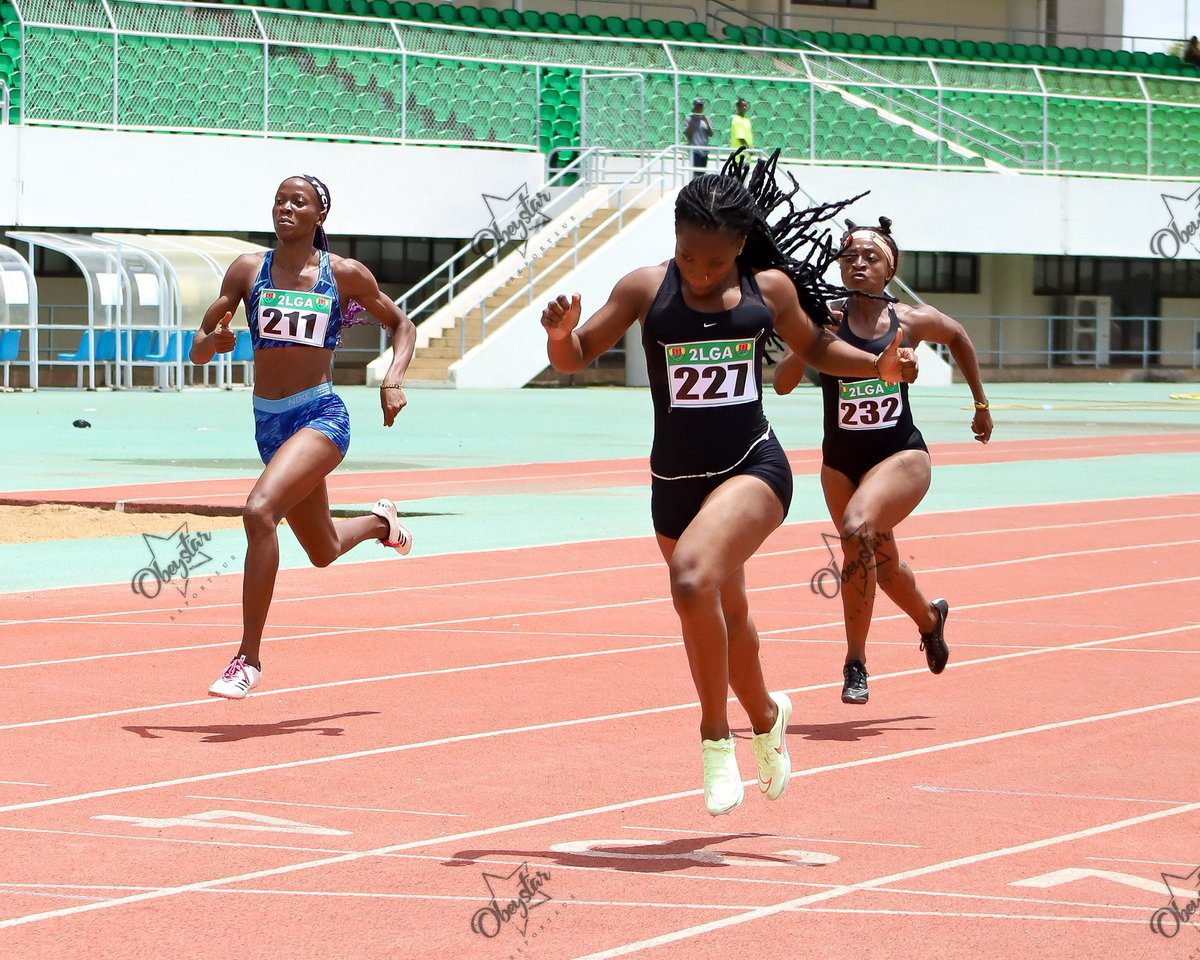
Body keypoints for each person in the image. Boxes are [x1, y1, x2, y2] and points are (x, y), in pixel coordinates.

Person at [540, 152, 917, 815]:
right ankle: (768, 718)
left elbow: (815, 348)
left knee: (690, 578)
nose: (702, 273)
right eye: (690, 258)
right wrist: (559, 337)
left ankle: (717, 743)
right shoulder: (642, 289)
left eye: (716, 262)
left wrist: (876, 368)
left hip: (753, 468)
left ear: (741, 247)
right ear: (675, 240)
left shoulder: (767, 290)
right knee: (728, 616)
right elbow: (575, 356)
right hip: (675, 484)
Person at [191, 175, 418, 699]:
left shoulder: (343, 275)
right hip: (269, 423)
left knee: (258, 511)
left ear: (320, 216)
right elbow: (199, 347)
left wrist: (392, 380)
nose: (286, 208)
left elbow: (402, 326)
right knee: (323, 548)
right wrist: (216, 341)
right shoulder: (248, 272)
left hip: (320, 416)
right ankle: (382, 522)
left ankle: (247, 659)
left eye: (300, 202)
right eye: (279, 200)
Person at [773, 216, 992, 705]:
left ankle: (855, 663)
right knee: (880, 563)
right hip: (840, 465)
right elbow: (782, 385)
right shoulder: (823, 318)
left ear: (889, 269)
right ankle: (930, 620)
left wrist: (981, 405)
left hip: (900, 456)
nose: (859, 265)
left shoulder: (909, 321)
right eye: (849, 257)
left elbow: (957, 335)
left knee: (855, 530)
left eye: (871, 258)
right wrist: (807, 343)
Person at [684, 98, 714, 179]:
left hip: (704, 151)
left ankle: (700, 189)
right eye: (697, 106)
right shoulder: (689, 119)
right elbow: (687, 134)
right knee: (696, 174)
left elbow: (711, 134)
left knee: (702, 174)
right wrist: (692, 122)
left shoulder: (706, 119)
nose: (699, 109)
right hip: (695, 151)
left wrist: (706, 122)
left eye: (700, 107)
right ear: (694, 107)